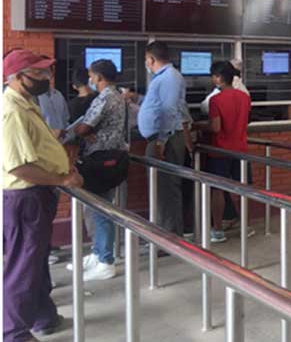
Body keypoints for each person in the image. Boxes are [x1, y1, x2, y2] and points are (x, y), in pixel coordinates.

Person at [3, 49, 83, 341]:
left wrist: (63, 167)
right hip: (26, 198)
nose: (46, 77)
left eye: (46, 72)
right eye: (38, 73)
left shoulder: (26, 104)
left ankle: (42, 315)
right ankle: (14, 333)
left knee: (35, 262)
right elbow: (19, 166)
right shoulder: (12, 111)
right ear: (17, 77)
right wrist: (62, 178)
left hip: (37, 195)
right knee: (23, 268)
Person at [70, 59, 127, 281]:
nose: (90, 79)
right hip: (109, 157)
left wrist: (78, 129)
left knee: (100, 208)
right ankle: (98, 252)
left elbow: (84, 127)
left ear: (100, 77)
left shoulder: (105, 97)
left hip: (100, 159)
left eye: (92, 75)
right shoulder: (118, 95)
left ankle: (105, 260)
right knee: (98, 207)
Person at [136, 41, 187, 236]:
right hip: (161, 138)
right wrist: (136, 99)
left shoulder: (169, 77)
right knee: (160, 189)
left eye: (146, 60)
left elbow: (168, 110)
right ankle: (164, 233)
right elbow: (157, 105)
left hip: (167, 139)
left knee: (166, 190)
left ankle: (171, 237)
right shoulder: (163, 78)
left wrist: (160, 141)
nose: (146, 64)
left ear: (151, 59)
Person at [204, 61, 252, 242]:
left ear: (218, 78)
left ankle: (218, 230)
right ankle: (246, 226)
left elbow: (216, 127)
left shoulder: (216, 100)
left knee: (218, 190)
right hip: (241, 149)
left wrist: (201, 126)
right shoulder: (244, 97)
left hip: (220, 151)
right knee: (240, 189)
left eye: (213, 76)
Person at [36, 60, 69, 133]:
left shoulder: (58, 94)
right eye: (43, 71)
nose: (47, 75)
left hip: (61, 139)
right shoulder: (33, 97)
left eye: (49, 71)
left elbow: (65, 119)